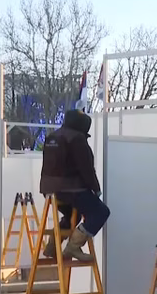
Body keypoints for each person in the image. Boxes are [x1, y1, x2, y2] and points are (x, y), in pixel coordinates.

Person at [39, 109, 110, 263]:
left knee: (73, 215)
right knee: (101, 212)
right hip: (71, 189)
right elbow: (86, 168)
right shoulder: (77, 139)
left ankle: (52, 246)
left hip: (49, 190)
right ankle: (73, 246)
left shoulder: (53, 136)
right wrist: (96, 189)